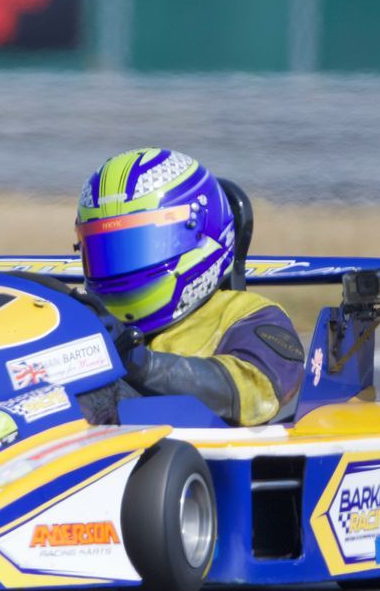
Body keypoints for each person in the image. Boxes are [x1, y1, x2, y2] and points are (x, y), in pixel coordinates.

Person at [74, 148, 304, 427]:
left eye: (137, 248)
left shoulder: (248, 315)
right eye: (106, 251)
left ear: (198, 234)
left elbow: (257, 389)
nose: (120, 265)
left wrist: (143, 365)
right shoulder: (91, 322)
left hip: (192, 460)